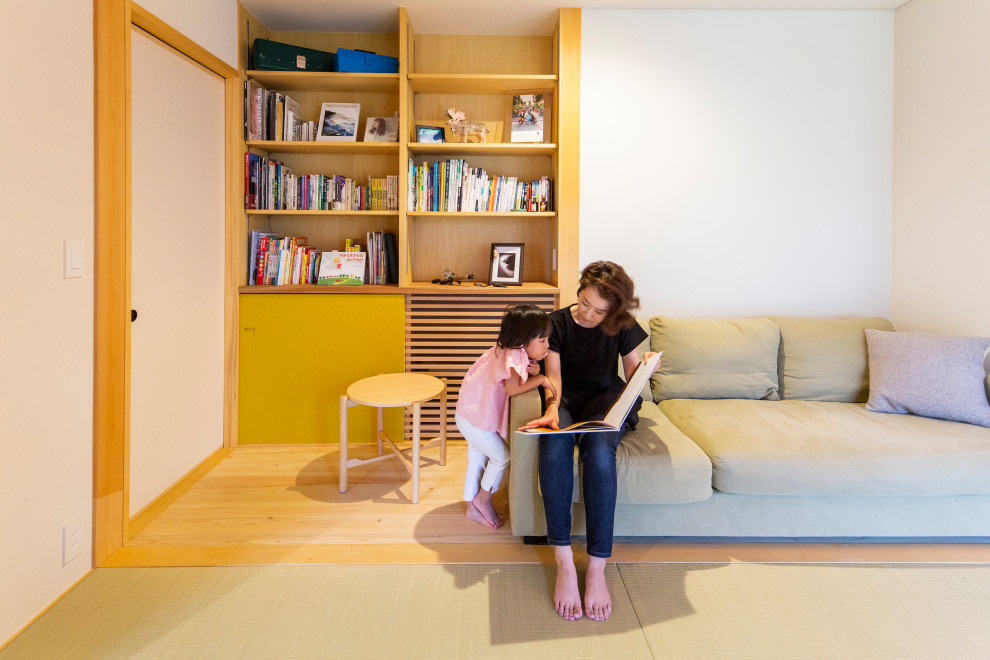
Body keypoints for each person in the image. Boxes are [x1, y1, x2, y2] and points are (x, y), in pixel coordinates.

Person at [520, 261, 660, 622]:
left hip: (604, 399)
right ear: (579, 290)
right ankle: (564, 561)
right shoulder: (556, 324)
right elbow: (554, 377)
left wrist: (644, 368)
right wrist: (553, 411)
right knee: (554, 445)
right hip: (564, 397)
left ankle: (597, 566)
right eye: (584, 303)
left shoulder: (622, 324)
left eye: (599, 311)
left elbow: (631, 377)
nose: (588, 314)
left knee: (599, 455)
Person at [456, 305, 556, 529]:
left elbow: (518, 375)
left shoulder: (509, 349)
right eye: (542, 341)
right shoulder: (512, 357)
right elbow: (512, 389)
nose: (547, 346)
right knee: (503, 457)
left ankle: (472, 507)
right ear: (524, 340)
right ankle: (483, 499)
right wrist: (541, 379)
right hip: (475, 421)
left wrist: (534, 370)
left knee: (478, 458)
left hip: (470, 413)